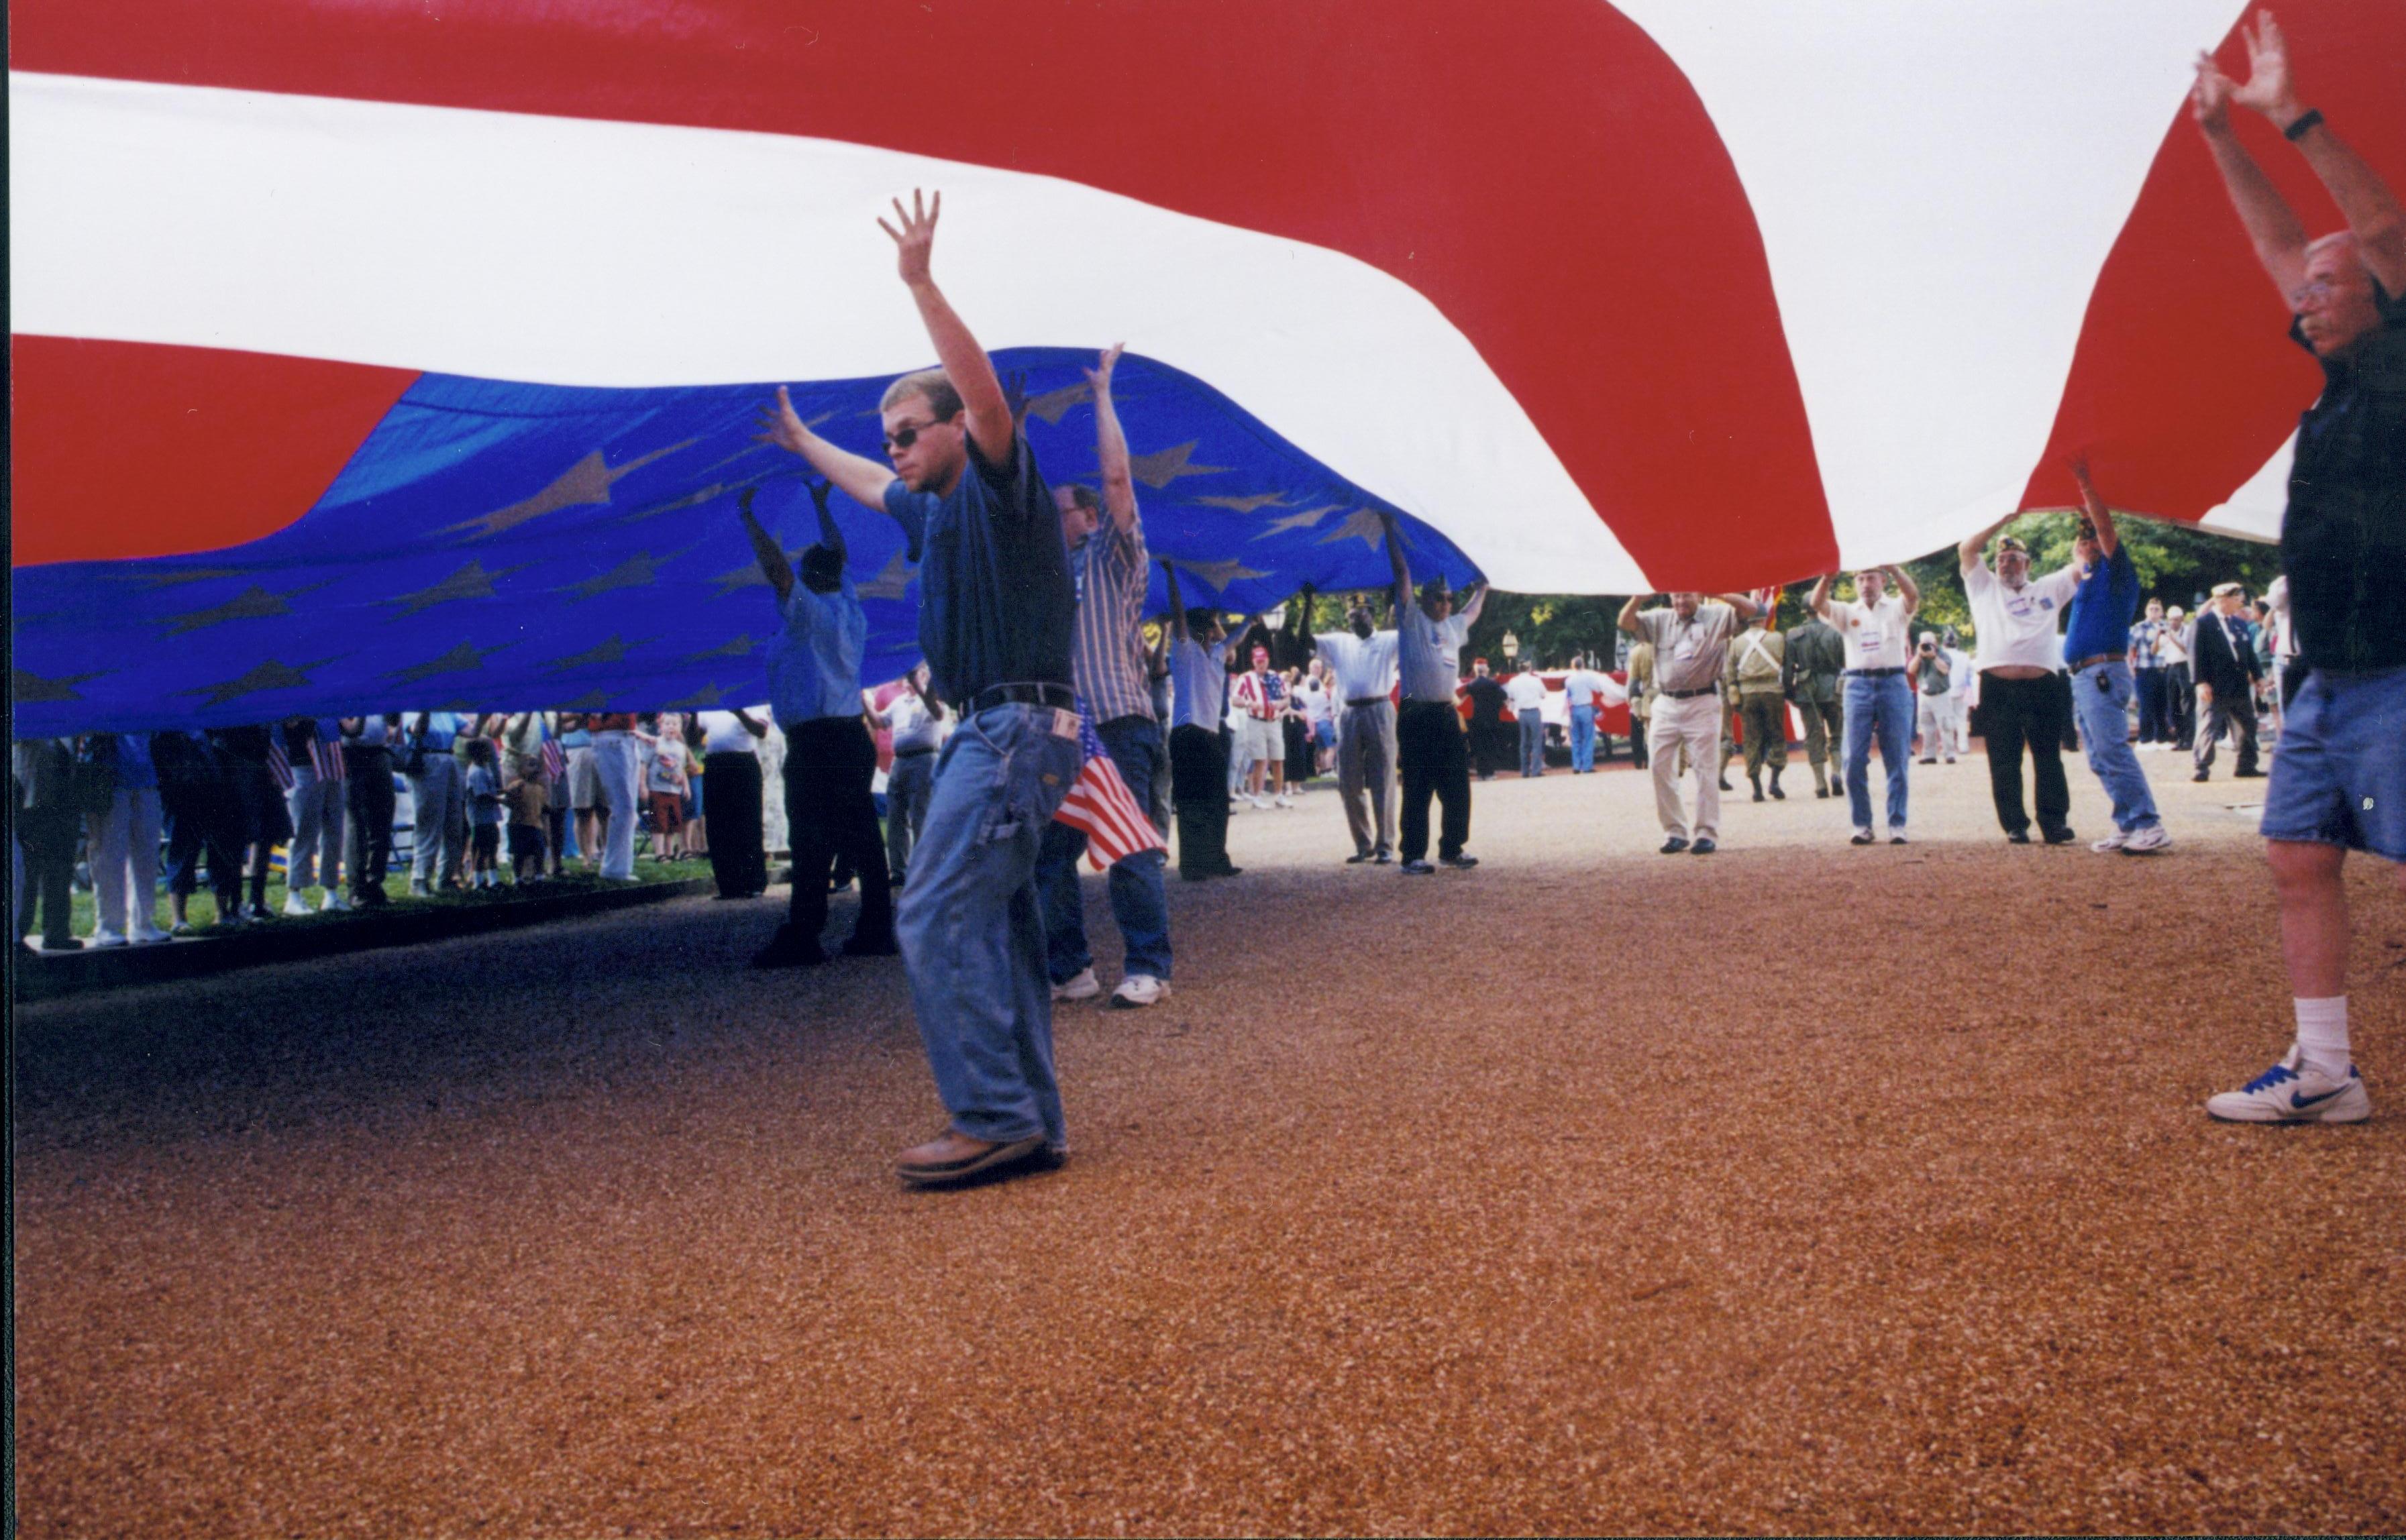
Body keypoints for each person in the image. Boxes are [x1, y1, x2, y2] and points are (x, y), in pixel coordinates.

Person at [753, 188, 1080, 1186]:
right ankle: (1031, 1120)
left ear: (954, 430)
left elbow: (982, 398)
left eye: (906, 429)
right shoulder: (930, 512)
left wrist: (921, 282)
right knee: (996, 921)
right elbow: (862, 483)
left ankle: (990, 1113)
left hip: (1013, 727)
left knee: (932, 909)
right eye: (887, 432)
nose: (894, 445)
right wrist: (805, 441)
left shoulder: (997, 486)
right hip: (1003, 727)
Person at [2185, 15, 2405, 1121]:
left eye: (2329, 284)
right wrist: (2222, 136)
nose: (2305, 297)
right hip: (2332, 670)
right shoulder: (2338, 363)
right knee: (2294, 852)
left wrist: (2294, 117)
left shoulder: (2404, 361)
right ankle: (2324, 1072)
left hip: (2402, 668)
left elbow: (2377, 226)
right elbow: (2284, 246)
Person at [1036, 345, 1173, 1011]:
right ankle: (1072, 968)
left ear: (1088, 518)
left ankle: (1148, 965)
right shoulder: (1047, 577)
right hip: (1064, 733)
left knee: (1128, 846)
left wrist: (1100, 394)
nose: (1050, 518)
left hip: (1118, 722)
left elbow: (1118, 479)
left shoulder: (1115, 555)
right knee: (1046, 854)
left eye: (1059, 509)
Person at [737, 477, 898, 967]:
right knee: (864, 836)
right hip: (850, 735)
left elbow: (776, 571)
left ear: (808, 577)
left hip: (816, 740)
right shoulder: (850, 610)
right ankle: (876, 928)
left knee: (809, 833)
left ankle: (804, 934)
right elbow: (838, 554)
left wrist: (750, 517)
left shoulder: (806, 614)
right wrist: (822, 504)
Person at [2064, 460, 2172, 853]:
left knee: (2111, 749)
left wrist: (2085, 485)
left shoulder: (2118, 572)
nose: (2089, 543)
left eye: (2093, 539)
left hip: (2101, 671)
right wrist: (2081, 514)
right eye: (2084, 540)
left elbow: (2106, 528)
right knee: (2097, 755)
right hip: (2084, 674)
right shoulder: (2089, 576)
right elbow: (2086, 543)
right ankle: (2128, 823)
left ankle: (2149, 822)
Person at [1956, 520, 2079, 844]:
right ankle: (2014, 823)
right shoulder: (1985, 587)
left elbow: (2081, 566)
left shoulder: (2048, 587)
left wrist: (2085, 523)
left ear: (2027, 564)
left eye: (2013, 559)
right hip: (1998, 687)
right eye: (2001, 559)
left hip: (2043, 686)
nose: (2006, 564)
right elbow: (1967, 550)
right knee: (2004, 758)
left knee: (2048, 756)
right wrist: (2005, 519)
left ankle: (2053, 823)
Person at [1619, 588, 1766, 854]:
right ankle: (1674, 832)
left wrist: (1720, 592)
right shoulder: (1660, 618)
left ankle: (1706, 833)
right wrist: (1639, 596)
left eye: (1687, 595)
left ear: (1698, 596)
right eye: (1676, 595)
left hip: (1702, 701)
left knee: (1705, 769)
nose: (1681, 601)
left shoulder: (1717, 615)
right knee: (1659, 767)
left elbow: (1753, 610)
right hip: (1666, 701)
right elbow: (1625, 622)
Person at [1381, 509, 1485, 873]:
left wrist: (1484, 587)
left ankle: (1453, 847)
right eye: (1438, 598)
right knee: (1418, 787)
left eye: (1448, 598)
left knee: (1457, 784)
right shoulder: (1412, 620)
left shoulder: (1454, 626)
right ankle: (1411, 855)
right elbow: (1401, 574)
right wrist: (1389, 529)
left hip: (1444, 712)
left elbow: (1472, 612)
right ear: (1424, 599)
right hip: (1416, 712)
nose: (1444, 604)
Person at [1809, 566, 1922, 844]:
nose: (1866, 584)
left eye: (1871, 577)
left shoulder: (1895, 608)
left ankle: (1897, 824)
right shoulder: (1848, 612)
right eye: (1860, 579)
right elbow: (1817, 604)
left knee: (1897, 756)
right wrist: (1827, 577)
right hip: (1857, 684)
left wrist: (1894, 567)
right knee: (1852, 759)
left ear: (1883, 581)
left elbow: (1912, 594)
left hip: (1893, 681)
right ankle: (1862, 824)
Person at [1162, 565, 1246, 879]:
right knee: (1192, 800)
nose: (1209, 633)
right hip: (1187, 731)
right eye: (1206, 627)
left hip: (1209, 733)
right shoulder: (1184, 653)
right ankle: (1193, 863)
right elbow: (1180, 618)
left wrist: (1251, 619)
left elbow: (1236, 638)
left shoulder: (1216, 656)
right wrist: (1172, 575)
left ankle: (1214, 859)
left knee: (1217, 800)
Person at [1316, 596, 1401, 860]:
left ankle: (1385, 845)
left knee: (1383, 779)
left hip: (1379, 708)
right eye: (1352, 616)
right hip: (1349, 711)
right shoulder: (1339, 642)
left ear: (1372, 615)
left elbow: (1410, 626)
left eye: (1361, 614)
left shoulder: (1389, 639)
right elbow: (1305, 642)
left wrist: (1397, 597)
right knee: (1348, 782)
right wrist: (1308, 603)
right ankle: (1363, 845)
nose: (1356, 620)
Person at [83, 732, 170, 946]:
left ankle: (142, 923)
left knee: (148, 854)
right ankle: (107, 926)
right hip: (111, 780)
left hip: (146, 778)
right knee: (109, 855)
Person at [2189, 582, 2266, 782]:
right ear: (2222, 600)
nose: (2240, 602)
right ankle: (2201, 767)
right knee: (2209, 726)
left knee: (2248, 725)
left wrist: (2259, 677)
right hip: (2215, 686)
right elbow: (2195, 655)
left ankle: (2246, 765)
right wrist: (2200, 682)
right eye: (2236, 598)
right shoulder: (2203, 623)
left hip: (2239, 685)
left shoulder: (2239, 624)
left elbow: (2249, 654)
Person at [13, 737, 83, 951]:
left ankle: (57, 932)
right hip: (30, 805)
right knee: (28, 875)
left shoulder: (69, 731)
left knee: (61, 871)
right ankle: (18, 933)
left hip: (63, 806)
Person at [279, 716, 348, 914]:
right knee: (304, 833)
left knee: (334, 831)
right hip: (303, 767)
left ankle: (331, 892)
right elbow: (293, 731)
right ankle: (294, 895)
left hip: (332, 765)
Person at [1781, 602, 1846, 798]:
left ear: (1804, 612)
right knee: (1837, 734)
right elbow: (1846, 663)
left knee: (1813, 736)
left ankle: (1820, 783)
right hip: (1833, 689)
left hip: (1807, 690)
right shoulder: (1836, 633)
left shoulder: (1793, 635)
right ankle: (1836, 772)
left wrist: (1790, 692)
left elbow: (1787, 669)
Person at [1725, 610, 1789, 801]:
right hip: (1773, 691)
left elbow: (1730, 673)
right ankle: (1775, 781)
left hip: (1747, 694)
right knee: (1777, 735)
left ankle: (1757, 788)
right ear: (1764, 619)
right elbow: (1786, 665)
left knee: (1751, 739)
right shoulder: (1777, 638)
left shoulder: (1736, 643)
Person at [401, 711, 467, 893]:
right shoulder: (411, 710)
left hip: (449, 759)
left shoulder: (448, 712)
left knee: (454, 822)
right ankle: (420, 879)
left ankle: (447, 877)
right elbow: (417, 731)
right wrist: (425, 710)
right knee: (429, 822)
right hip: (427, 761)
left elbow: (471, 731)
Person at [339, 714, 397, 907]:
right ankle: (357, 888)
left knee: (383, 821)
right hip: (352, 754)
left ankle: (375, 883)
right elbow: (353, 731)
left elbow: (393, 722)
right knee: (356, 824)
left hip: (379, 753)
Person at [1228, 643, 1294, 809]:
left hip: (1274, 721)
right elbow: (1236, 699)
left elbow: (1287, 698)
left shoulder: (1276, 677)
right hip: (1256, 721)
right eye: (1258, 661)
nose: (1261, 664)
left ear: (1267, 660)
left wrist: (1280, 704)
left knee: (1278, 759)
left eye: (1263, 661)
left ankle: (1279, 795)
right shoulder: (1246, 678)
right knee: (1260, 759)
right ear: (1253, 662)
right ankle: (1257, 796)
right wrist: (1249, 702)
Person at [642, 716, 690, 863]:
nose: (671, 727)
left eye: (675, 724)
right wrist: (642, 785)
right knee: (658, 821)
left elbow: (681, 769)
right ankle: (659, 853)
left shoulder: (681, 748)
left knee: (672, 822)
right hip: (657, 788)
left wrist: (686, 786)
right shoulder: (655, 743)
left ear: (680, 727)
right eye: (667, 724)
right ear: (660, 726)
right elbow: (644, 765)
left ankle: (669, 852)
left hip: (674, 790)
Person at [2128, 598, 2172, 747]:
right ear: (2146, 611)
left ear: (2162, 612)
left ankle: (2162, 738)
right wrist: (2131, 668)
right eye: (2151, 609)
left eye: (2157, 609)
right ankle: (2145, 739)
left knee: (2162, 705)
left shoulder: (2166, 627)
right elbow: (2130, 649)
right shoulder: (2139, 627)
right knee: (2146, 706)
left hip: (2163, 669)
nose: (2154, 612)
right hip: (2145, 669)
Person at [1910, 634, 1958, 766]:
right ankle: (1929, 755)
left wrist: (1934, 657)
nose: (1927, 646)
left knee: (1946, 725)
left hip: (1940, 694)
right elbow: (1911, 670)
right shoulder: (1919, 656)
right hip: (1924, 695)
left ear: (1935, 643)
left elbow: (1945, 670)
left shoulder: (1943, 655)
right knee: (1926, 727)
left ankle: (1949, 754)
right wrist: (1919, 656)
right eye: (1924, 643)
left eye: (1929, 643)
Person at [464, 738, 504, 887]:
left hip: (489, 817)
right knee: (482, 849)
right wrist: (502, 800)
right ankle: (478, 881)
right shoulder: (476, 772)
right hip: (480, 819)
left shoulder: (485, 769)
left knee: (493, 847)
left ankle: (494, 880)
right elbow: (482, 795)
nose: (488, 754)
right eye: (484, 751)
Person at [1463, 660, 1512, 781]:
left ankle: (1481, 773)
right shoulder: (1492, 684)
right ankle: (1489, 773)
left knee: (1479, 747)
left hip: (1477, 718)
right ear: (1485, 669)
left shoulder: (1472, 685)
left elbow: (1464, 697)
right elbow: (1504, 696)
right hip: (1491, 719)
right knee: (1490, 745)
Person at [1561, 657, 1609, 773]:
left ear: (1573, 666)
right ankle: (1587, 766)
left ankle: (1576, 766)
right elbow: (1597, 688)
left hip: (1575, 709)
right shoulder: (1587, 677)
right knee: (1588, 738)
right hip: (1586, 708)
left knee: (1576, 738)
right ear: (1583, 665)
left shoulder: (1569, 680)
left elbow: (1568, 695)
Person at [1504, 661, 1549, 778]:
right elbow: (1544, 695)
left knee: (1524, 743)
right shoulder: (1535, 680)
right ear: (1529, 668)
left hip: (1522, 713)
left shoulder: (1513, 681)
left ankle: (1524, 771)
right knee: (1536, 741)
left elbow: (1511, 698)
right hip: (1534, 711)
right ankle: (1535, 770)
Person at [1624, 635, 1655, 771]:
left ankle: (1638, 761)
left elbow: (1632, 681)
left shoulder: (1636, 653)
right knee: (1651, 731)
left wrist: (1630, 698)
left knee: (1637, 733)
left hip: (1638, 698)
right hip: (1655, 698)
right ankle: (1649, 759)